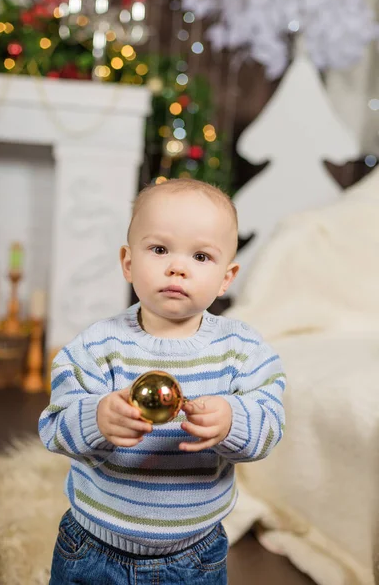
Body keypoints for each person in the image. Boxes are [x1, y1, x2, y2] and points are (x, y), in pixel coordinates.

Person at [39, 178, 286, 585]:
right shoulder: (97, 345)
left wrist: (232, 420)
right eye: (159, 249)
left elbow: (272, 422)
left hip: (195, 555)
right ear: (128, 262)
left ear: (227, 277)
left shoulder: (242, 350)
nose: (177, 266)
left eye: (202, 256)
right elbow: (53, 427)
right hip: (92, 547)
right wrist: (96, 418)